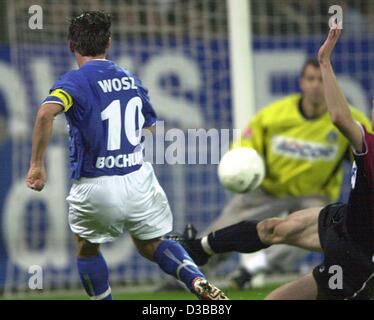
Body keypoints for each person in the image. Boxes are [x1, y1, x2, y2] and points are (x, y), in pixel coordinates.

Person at [25, 11, 227, 301]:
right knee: (152, 244)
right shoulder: (129, 78)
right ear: (108, 42)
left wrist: (36, 166)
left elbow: (46, 112)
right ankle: (196, 279)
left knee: (86, 246)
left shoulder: (74, 82)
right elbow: (150, 126)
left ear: (72, 46)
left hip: (96, 184)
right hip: (137, 179)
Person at [181, 26, 374, 300]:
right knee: (273, 227)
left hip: (347, 237)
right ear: (301, 82)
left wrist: (325, 61)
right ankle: (198, 252)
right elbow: (248, 141)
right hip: (321, 210)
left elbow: (340, 118)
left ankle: (255, 268)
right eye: (311, 79)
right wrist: (243, 160)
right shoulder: (276, 114)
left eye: (320, 79)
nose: (316, 85)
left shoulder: (360, 132)